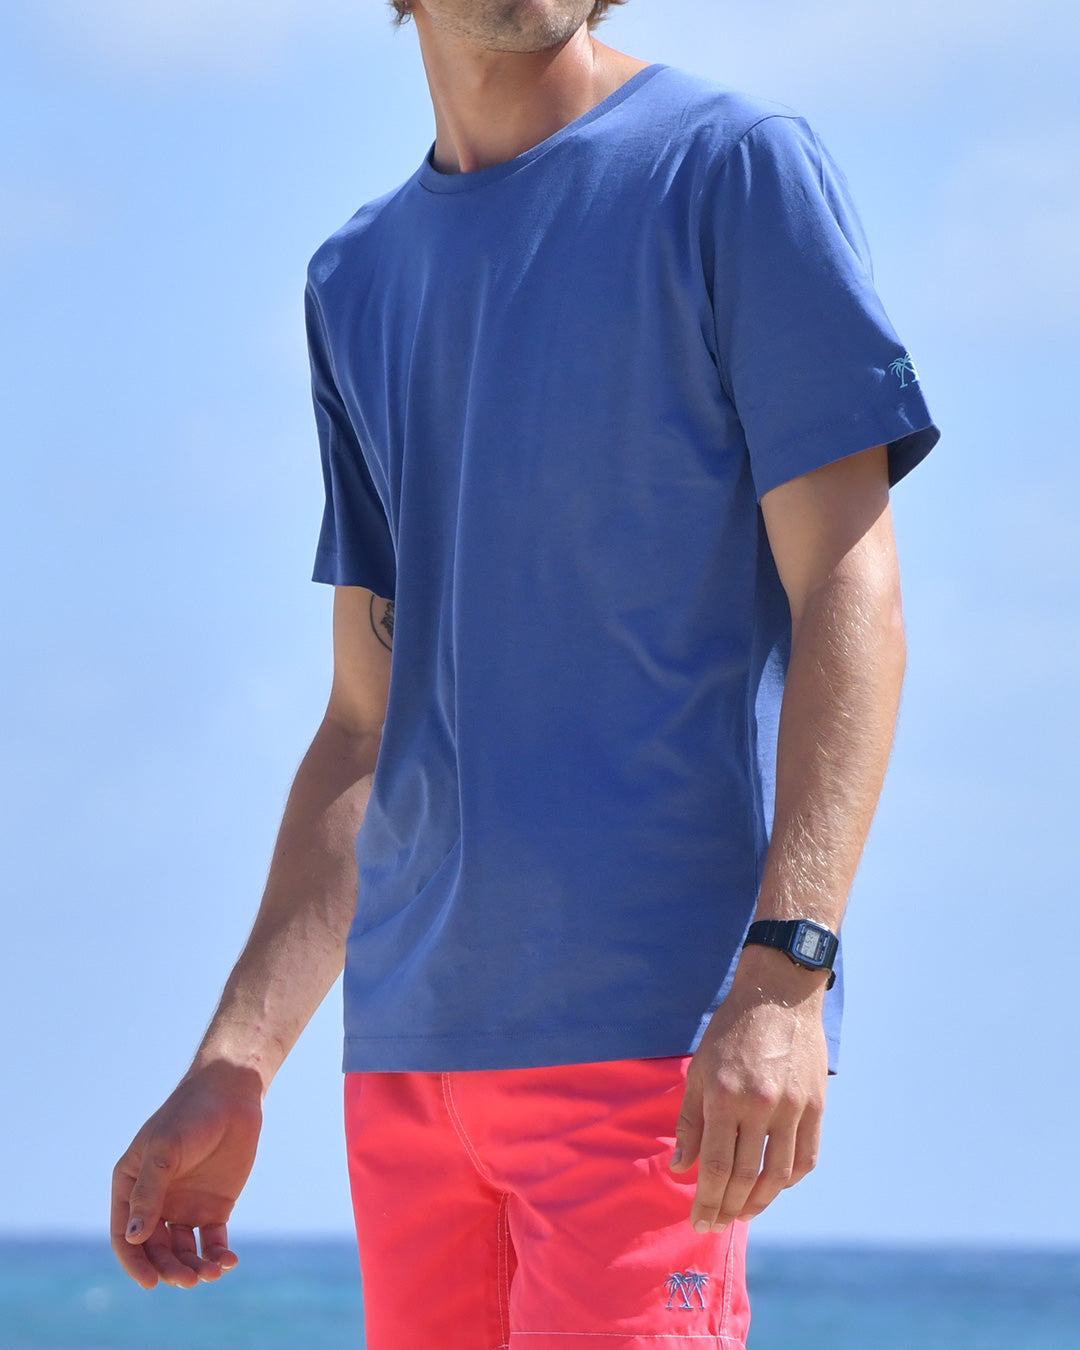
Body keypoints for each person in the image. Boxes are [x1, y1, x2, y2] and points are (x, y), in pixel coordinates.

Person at [110, 2, 940, 1346]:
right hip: (408, 1073)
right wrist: (237, 1059)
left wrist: (788, 975)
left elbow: (853, 592)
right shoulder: (356, 279)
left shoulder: (733, 172)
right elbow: (366, 723)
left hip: (649, 1052)